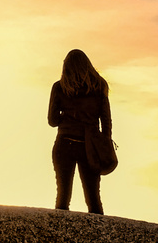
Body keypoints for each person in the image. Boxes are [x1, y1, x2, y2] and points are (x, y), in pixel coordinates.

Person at [47, 48, 110, 214]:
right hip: (89, 146)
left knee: (62, 198)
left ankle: (59, 237)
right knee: (94, 200)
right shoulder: (99, 86)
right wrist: (104, 142)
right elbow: (106, 121)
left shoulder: (59, 87)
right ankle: (99, 238)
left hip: (64, 144)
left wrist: (68, 118)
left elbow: (52, 121)